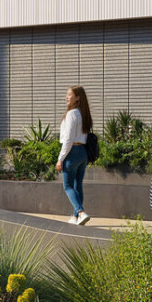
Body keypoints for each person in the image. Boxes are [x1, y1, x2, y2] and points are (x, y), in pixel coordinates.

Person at [60, 86, 93, 226]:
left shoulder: (72, 114)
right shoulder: (83, 114)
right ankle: (75, 218)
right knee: (77, 185)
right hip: (82, 153)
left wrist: (60, 159)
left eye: (69, 95)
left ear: (77, 97)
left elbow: (68, 139)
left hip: (72, 152)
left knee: (67, 186)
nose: (67, 97)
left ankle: (80, 212)